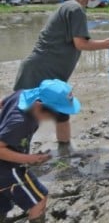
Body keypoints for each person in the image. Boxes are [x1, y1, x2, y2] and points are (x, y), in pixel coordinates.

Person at [13, 0, 109, 154]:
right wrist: (106, 44)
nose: (98, 0)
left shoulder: (71, 7)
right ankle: (13, 156)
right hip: (40, 72)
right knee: (25, 116)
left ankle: (65, 149)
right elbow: (81, 43)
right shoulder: (76, 9)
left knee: (61, 110)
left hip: (51, 73)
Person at [0, 79, 81, 223]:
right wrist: (29, 159)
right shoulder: (20, 122)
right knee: (39, 200)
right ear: (39, 106)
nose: (54, 118)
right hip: (6, 167)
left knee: (3, 204)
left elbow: (2, 104)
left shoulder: (22, 95)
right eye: (54, 114)